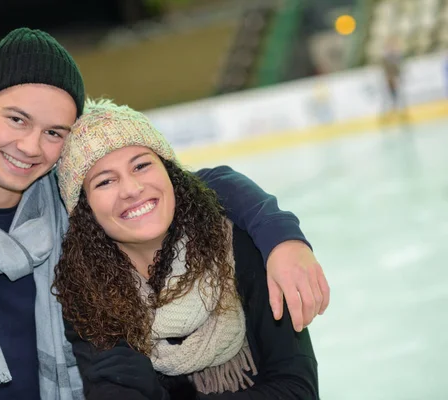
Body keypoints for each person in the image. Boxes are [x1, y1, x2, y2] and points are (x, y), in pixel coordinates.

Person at [0, 28, 327, 400]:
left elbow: (190, 186)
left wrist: (282, 235)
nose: (31, 146)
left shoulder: (67, 212)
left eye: (54, 132)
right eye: (17, 119)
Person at [53, 99, 318, 399]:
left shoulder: (238, 245)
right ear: (85, 209)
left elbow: (298, 390)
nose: (131, 189)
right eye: (105, 181)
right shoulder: (88, 293)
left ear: (170, 172)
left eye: (141, 165)